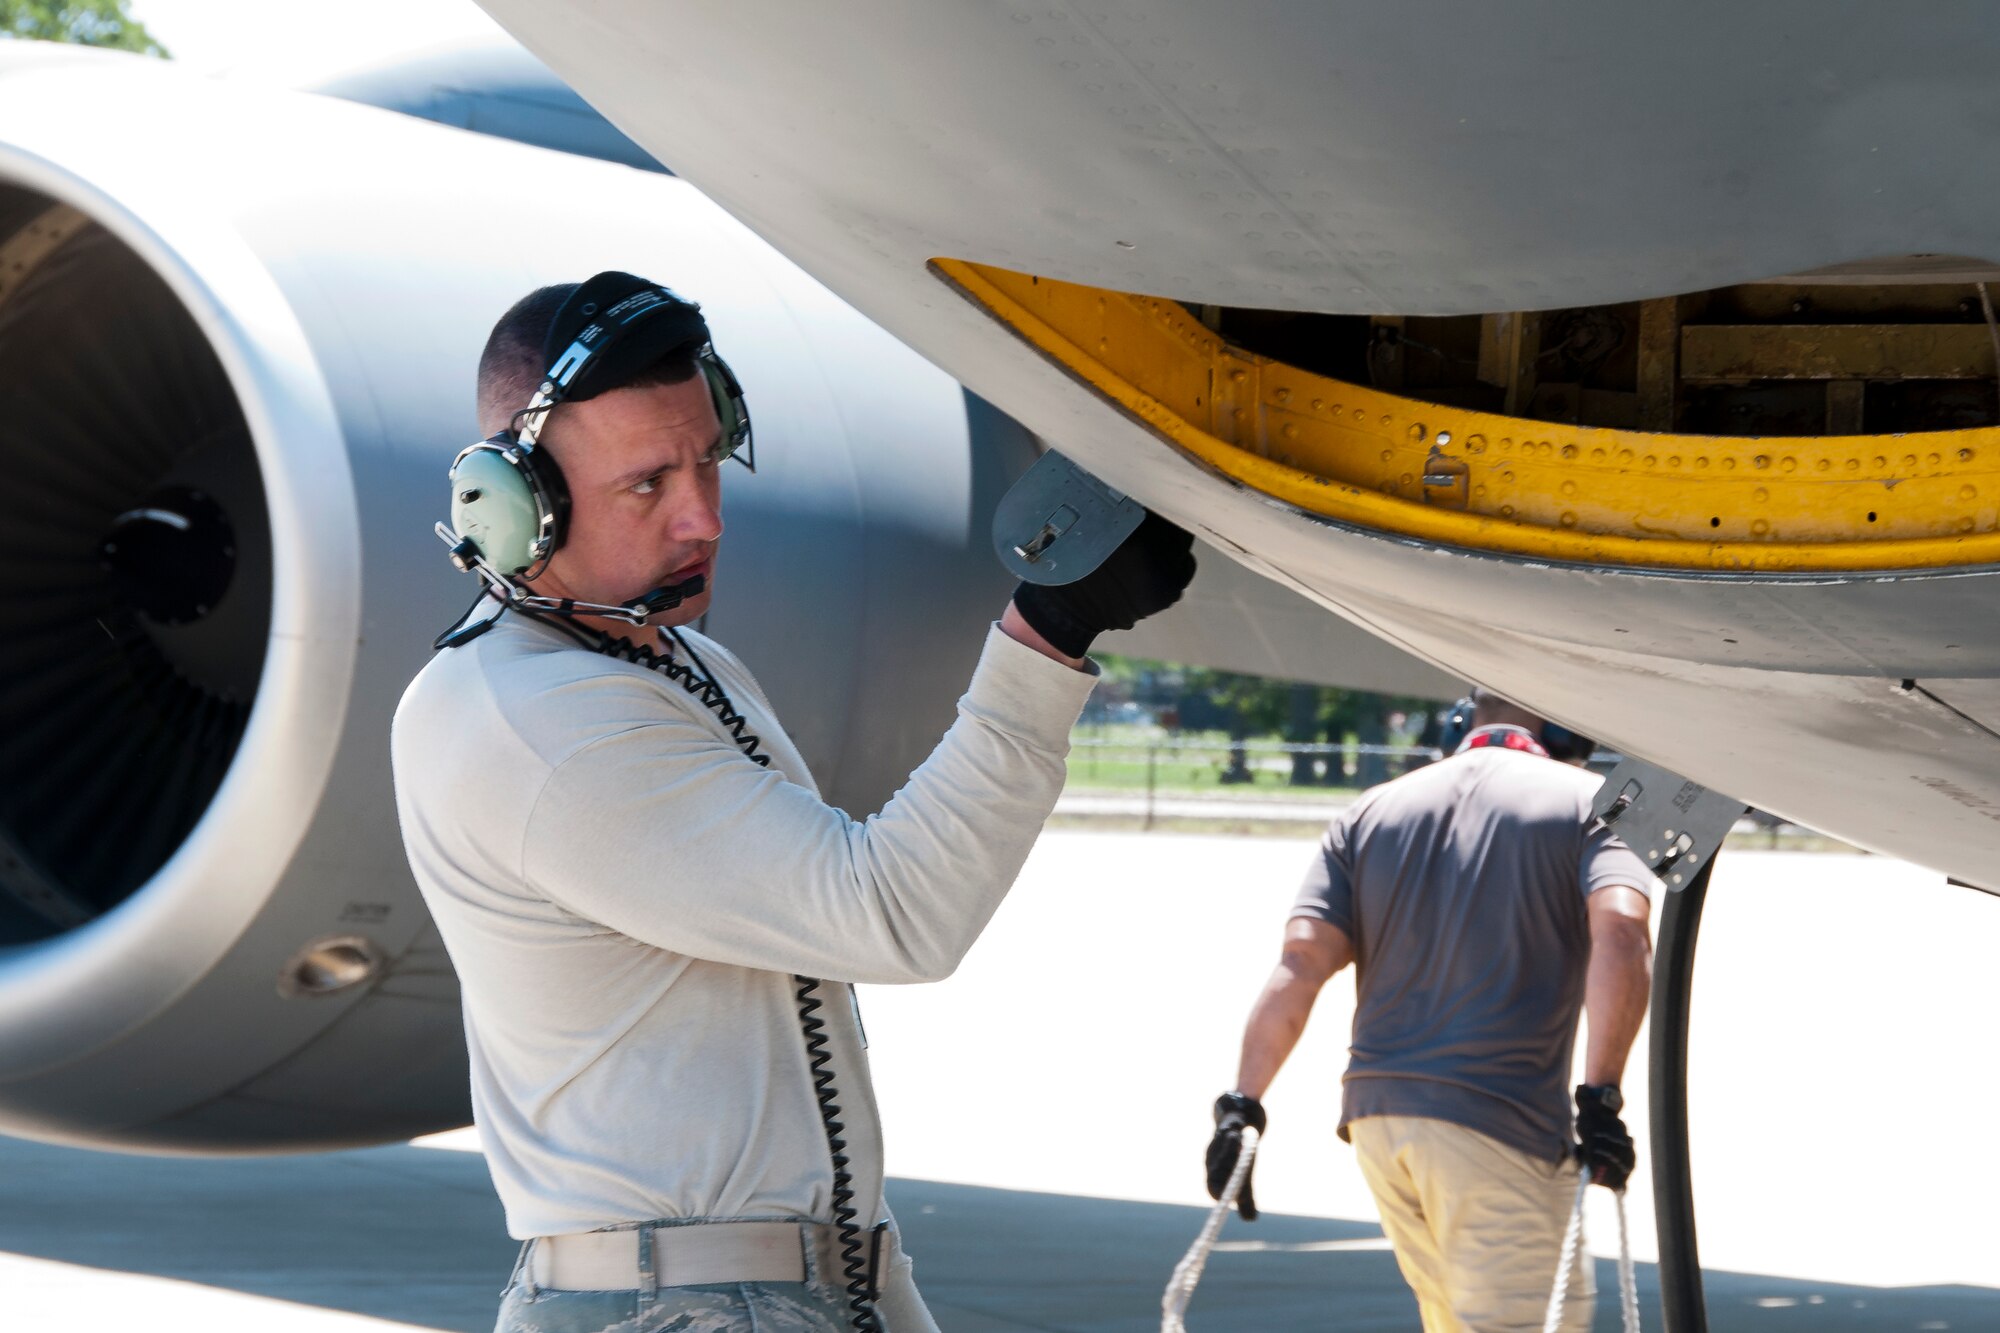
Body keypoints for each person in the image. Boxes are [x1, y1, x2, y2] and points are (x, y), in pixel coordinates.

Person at [391, 270, 1195, 1333]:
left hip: (799, 1281)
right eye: (646, 484)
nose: (704, 516)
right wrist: (1045, 635)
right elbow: (891, 913)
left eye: (707, 463)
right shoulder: (531, 721)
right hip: (686, 1303)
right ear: (510, 507)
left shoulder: (674, 665)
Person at [1205, 688, 1656, 1333]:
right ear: (1567, 732)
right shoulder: (1594, 805)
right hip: (1500, 1122)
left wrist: (1241, 1106)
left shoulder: (1372, 810)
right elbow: (1620, 933)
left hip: (1379, 1122)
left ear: (1460, 721)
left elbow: (1301, 961)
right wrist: (1600, 1097)